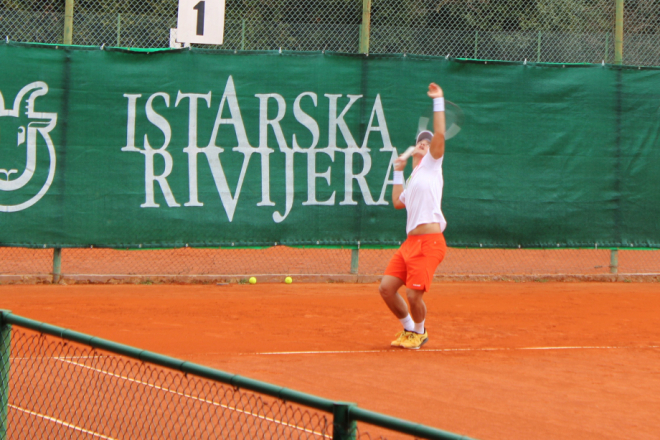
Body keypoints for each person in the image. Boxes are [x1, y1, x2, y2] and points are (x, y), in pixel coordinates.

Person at [379, 82, 448, 350]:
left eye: (427, 142)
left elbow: (439, 133)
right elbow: (398, 202)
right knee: (386, 288)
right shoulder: (415, 176)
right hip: (410, 244)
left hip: (430, 242)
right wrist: (399, 170)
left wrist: (438, 100)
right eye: (420, 141)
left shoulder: (432, 165)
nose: (423, 144)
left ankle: (420, 332)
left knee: (412, 294)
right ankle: (409, 328)